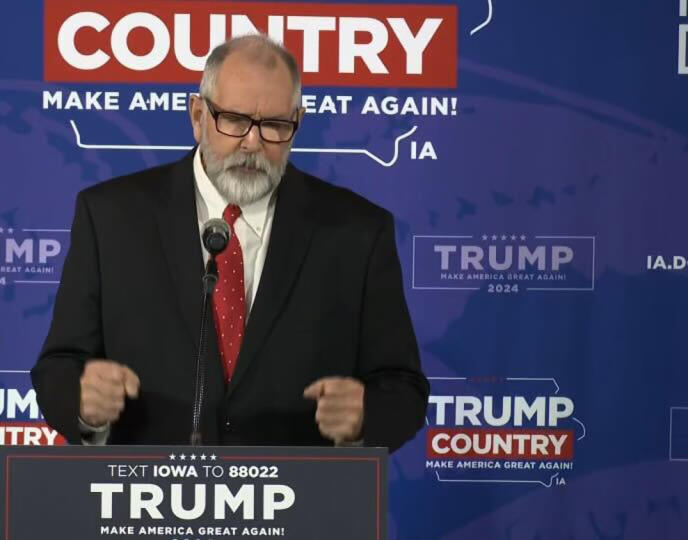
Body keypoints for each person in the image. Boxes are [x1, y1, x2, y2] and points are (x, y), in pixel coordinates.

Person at [31, 34, 428, 450]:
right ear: (198, 115)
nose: (252, 142)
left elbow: (402, 387)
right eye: (235, 120)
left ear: (298, 123)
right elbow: (59, 365)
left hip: (301, 505)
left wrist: (367, 417)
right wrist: (82, 402)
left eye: (274, 125)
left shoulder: (357, 232)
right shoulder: (111, 217)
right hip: (145, 502)